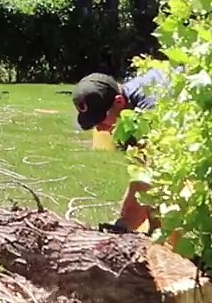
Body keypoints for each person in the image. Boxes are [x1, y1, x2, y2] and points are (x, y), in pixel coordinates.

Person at [72, 69, 168, 232]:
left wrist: (123, 226)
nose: (100, 129)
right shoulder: (129, 110)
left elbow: (147, 177)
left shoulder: (150, 107)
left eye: (100, 119)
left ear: (118, 102)